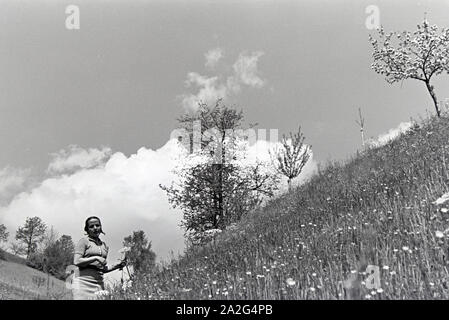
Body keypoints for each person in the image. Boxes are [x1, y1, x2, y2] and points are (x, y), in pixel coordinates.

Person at [72, 216, 126, 300]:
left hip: (98, 283)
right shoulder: (83, 241)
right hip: (82, 281)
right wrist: (96, 258)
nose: (95, 228)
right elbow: (76, 261)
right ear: (87, 229)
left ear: (101, 227)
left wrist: (117, 265)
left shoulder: (104, 246)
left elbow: (103, 269)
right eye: (91, 226)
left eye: (97, 225)